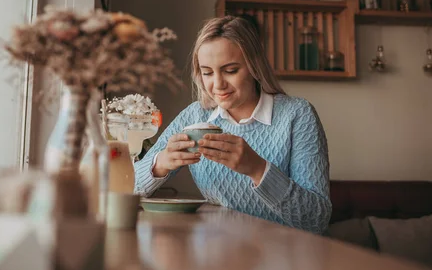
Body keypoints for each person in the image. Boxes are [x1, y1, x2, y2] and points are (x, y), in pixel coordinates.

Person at [134, 15, 331, 234]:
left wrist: (257, 169)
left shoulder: (297, 115)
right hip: (215, 253)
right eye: (207, 72)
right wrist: (160, 163)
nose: (217, 84)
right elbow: (126, 188)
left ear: (254, 66)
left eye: (230, 70)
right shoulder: (194, 117)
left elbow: (316, 220)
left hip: (281, 255)